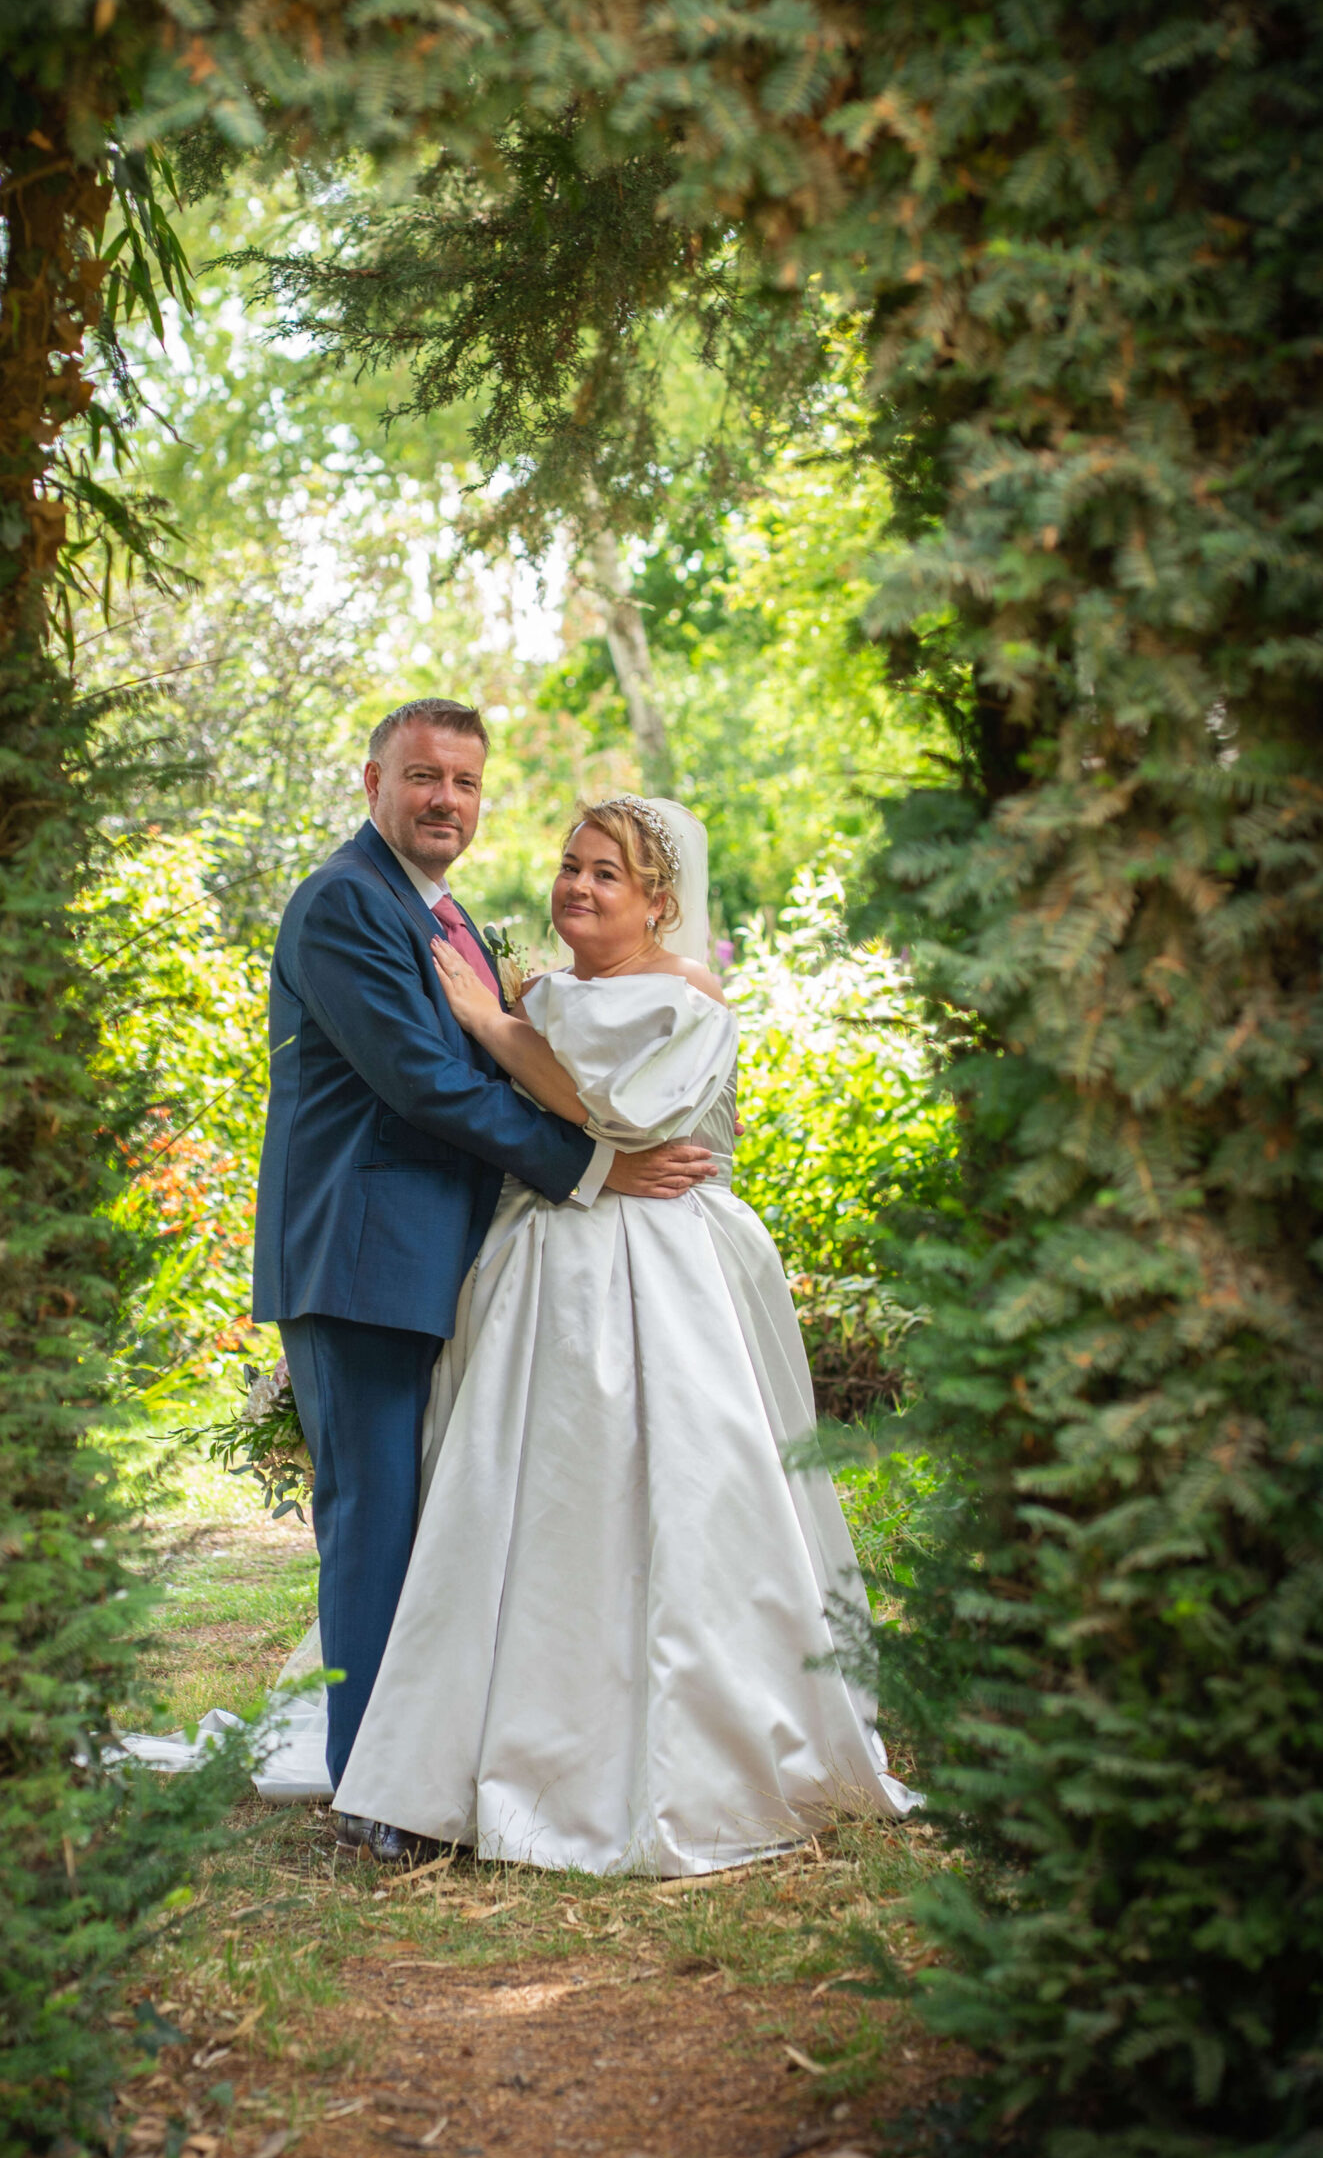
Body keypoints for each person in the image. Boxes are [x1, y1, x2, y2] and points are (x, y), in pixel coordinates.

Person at [331, 796, 917, 1875]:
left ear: (660, 899)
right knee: (520, 1500)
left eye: (608, 873)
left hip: (662, 1270)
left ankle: (698, 1744)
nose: (578, 887)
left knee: (682, 1488)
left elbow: (616, 1113)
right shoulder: (546, 989)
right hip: (539, 1265)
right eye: (568, 865)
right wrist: (513, 1016)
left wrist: (496, 1028)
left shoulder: (685, 996)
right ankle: (491, 1736)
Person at [251, 706, 718, 1864]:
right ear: (373, 780)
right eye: (421, 777)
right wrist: (596, 1167)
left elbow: (513, 1050)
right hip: (359, 1261)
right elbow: (422, 1083)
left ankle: (412, 1764)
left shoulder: (441, 912)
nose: (444, 800)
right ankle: (371, 1792)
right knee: (370, 1520)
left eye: (463, 781)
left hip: (437, 1261)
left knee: (427, 1527)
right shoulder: (348, 903)